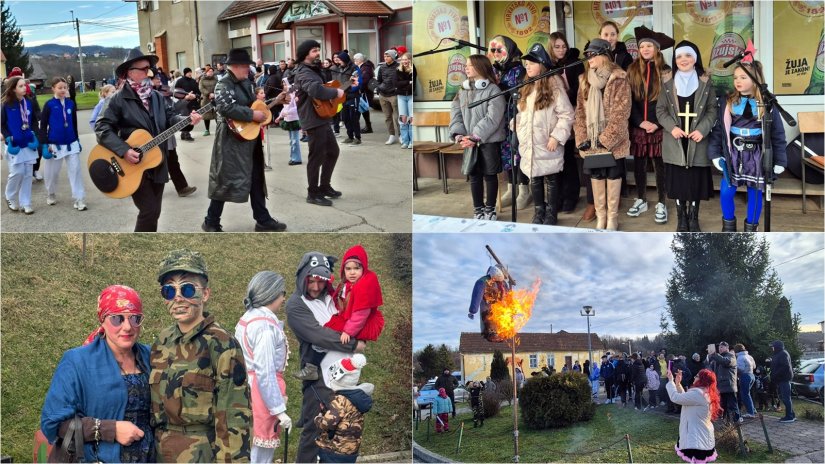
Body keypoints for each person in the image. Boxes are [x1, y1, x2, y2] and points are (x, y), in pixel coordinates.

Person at [151, 249, 251, 462]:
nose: (177, 298)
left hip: (202, 454)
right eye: (169, 291)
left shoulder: (222, 344)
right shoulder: (163, 340)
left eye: (187, 289)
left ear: (205, 294)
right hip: (161, 452)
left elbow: (233, 418)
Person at [41, 285, 153, 463]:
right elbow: (53, 422)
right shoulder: (77, 361)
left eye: (135, 318)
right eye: (117, 318)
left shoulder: (151, 357)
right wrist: (110, 429)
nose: (127, 327)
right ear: (102, 319)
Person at [94, 50, 203, 231]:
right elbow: (101, 128)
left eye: (150, 68)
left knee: (154, 213)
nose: (149, 72)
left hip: (157, 161)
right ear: (130, 72)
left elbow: (170, 119)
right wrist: (124, 150)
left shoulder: (157, 97)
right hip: (132, 164)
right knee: (149, 211)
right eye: (144, 69)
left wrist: (187, 120)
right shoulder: (117, 99)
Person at [286, 251, 366, 462]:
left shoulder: (332, 295)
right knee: (314, 429)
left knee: (344, 428)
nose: (315, 287)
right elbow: (318, 335)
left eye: (321, 282)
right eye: (311, 281)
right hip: (319, 378)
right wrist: (354, 345)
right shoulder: (295, 304)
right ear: (302, 277)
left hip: (345, 374)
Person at [201, 48, 287, 232]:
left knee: (256, 178)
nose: (249, 69)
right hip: (230, 140)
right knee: (225, 180)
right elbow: (225, 108)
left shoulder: (246, 82)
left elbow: (254, 105)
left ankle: (263, 219)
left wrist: (275, 102)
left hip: (249, 139)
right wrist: (251, 114)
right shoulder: (223, 84)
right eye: (246, 66)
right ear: (236, 66)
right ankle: (211, 221)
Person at [708, 58, 787, 232]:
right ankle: (728, 228)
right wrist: (714, 153)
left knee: (755, 194)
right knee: (726, 191)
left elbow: (777, 134)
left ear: (755, 78)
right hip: (734, 153)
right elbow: (719, 130)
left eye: (743, 77)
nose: (738, 81)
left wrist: (780, 160)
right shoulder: (727, 101)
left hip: (757, 154)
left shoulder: (767, 103)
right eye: (735, 77)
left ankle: (751, 229)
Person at [294, 244, 385, 381]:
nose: (352, 272)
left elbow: (360, 316)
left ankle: (315, 368)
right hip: (347, 318)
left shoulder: (364, 287)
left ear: (364, 268)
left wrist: (348, 331)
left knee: (323, 337)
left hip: (356, 324)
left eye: (357, 268)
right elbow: (341, 300)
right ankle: (317, 367)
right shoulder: (348, 284)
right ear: (344, 270)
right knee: (322, 337)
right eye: (348, 269)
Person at [656, 40, 718, 232]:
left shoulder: (705, 82)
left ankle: (694, 218)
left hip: (696, 139)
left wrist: (703, 129)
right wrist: (672, 128)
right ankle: (681, 218)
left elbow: (712, 110)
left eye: (688, 55)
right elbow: (660, 110)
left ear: (695, 58)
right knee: (678, 182)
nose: (684, 60)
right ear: (675, 60)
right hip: (675, 139)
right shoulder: (667, 81)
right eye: (679, 56)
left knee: (695, 181)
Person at [573, 38, 631, 230]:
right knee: (596, 176)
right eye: (587, 54)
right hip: (591, 140)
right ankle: (601, 216)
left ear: (604, 56)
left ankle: (612, 217)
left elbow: (621, 114)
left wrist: (604, 140)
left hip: (614, 141)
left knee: (613, 175)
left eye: (592, 54)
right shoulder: (584, 80)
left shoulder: (619, 78)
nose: (588, 58)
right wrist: (583, 139)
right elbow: (580, 113)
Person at [234, 271, 292, 463]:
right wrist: (278, 410)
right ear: (271, 294)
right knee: (259, 452)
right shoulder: (265, 327)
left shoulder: (249, 318)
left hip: (248, 388)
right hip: (260, 393)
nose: (284, 298)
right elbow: (265, 372)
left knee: (248, 447)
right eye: (282, 293)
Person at [515, 43, 574, 225]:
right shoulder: (527, 86)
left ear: (542, 64)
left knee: (551, 178)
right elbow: (522, 113)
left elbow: (567, 114)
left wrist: (556, 136)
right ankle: (539, 210)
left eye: (532, 63)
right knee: (535, 178)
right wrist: (516, 125)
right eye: (527, 63)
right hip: (530, 142)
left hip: (547, 142)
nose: (528, 66)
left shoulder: (554, 86)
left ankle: (551, 211)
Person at [626, 26, 674, 224]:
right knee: (639, 164)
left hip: (658, 126)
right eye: (642, 46)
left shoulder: (665, 71)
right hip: (639, 125)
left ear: (657, 49)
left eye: (649, 46)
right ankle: (641, 198)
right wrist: (639, 121)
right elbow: (630, 100)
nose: (645, 49)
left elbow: (669, 101)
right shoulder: (631, 70)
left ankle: (661, 201)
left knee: (659, 165)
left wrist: (656, 123)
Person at [449, 54, 506, 220]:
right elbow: (456, 113)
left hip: (488, 141)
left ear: (480, 67)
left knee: (489, 175)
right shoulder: (463, 90)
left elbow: (493, 118)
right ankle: (478, 209)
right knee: (474, 176)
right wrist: (460, 135)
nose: (466, 68)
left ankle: (490, 209)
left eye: (470, 65)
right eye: (466, 65)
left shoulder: (493, 90)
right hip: (469, 142)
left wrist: (476, 136)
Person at [293, 40, 346, 207]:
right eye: (314, 51)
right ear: (305, 54)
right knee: (317, 157)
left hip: (321, 116)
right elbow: (315, 90)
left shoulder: (313, 70)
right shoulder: (303, 72)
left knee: (332, 152)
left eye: (318, 50)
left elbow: (325, 87)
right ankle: (313, 193)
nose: (318, 53)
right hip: (312, 119)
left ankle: (324, 186)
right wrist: (335, 91)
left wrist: (344, 88)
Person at [489, 35, 530, 210]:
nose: (496, 53)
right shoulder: (494, 70)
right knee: (506, 155)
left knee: (518, 153)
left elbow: (521, 93)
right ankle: (511, 189)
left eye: (500, 49)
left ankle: (524, 191)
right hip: (499, 119)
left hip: (516, 118)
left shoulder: (519, 69)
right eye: (493, 50)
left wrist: (501, 88)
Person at [547, 31, 585, 215]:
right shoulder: (546, 66)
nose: (561, 50)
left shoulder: (575, 63)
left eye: (564, 46)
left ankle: (571, 196)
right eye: (557, 46)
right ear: (551, 48)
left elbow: (580, 89)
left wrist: (564, 96)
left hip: (570, 115)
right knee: (555, 160)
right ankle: (558, 197)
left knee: (568, 158)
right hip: (551, 119)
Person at [314, 354, 374, 463]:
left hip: (335, 451)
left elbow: (327, 424)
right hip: (351, 450)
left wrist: (319, 418)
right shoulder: (356, 398)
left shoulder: (340, 400)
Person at [40, 76, 87, 211]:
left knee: (75, 170)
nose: (63, 90)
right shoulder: (49, 105)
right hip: (55, 144)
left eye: (65, 87)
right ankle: (51, 193)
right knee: (52, 173)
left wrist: (77, 139)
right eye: (60, 88)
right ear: (53, 88)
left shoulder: (71, 103)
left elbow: (74, 123)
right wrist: (44, 144)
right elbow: (43, 126)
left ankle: (79, 198)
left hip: (71, 143)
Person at [3, 76, 41, 214]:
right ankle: (10, 196)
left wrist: (36, 137)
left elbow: (34, 122)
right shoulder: (6, 105)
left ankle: (26, 203)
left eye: (24, 85)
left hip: (28, 144)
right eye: (20, 86)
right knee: (17, 172)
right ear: (13, 89)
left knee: (27, 174)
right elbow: (1, 124)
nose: (24, 88)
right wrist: (8, 138)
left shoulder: (29, 103)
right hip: (14, 145)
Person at [666, 368, 721, 463]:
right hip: (700, 436)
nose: (694, 377)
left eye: (697, 376)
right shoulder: (704, 393)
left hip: (696, 439)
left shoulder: (698, 394)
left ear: (701, 380)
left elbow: (676, 398)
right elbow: (685, 399)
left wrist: (671, 381)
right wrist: (678, 384)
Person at [468, 264, 510, 342]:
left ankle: (501, 333)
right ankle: (491, 333)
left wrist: (510, 309)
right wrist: (473, 310)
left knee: (500, 321)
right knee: (488, 318)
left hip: (500, 310)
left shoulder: (503, 284)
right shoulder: (483, 281)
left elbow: (508, 296)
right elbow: (477, 295)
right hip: (487, 309)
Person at [706, 341, 740, 424]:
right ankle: (727, 423)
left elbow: (726, 362)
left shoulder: (731, 356)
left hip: (729, 386)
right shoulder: (717, 358)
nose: (720, 349)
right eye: (719, 347)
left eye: (722, 347)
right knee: (723, 406)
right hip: (720, 386)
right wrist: (709, 357)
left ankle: (736, 422)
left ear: (727, 348)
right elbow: (710, 368)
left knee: (732, 405)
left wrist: (715, 355)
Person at [274, 78, 303, 166]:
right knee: (292, 141)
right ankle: (293, 157)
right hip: (288, 120)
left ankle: (297, 159)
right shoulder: (286, 95)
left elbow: (296, 108)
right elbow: (285, 107)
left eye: (285, 84)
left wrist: (288, 112)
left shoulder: (294, 94)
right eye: (283, 84)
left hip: (294, 119)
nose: (284, 86)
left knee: (295, 141)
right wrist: (279, 117)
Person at [336, 51, 362, 145]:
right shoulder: (340, 69)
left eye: (340, 60)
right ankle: (350, 136)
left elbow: (357, 83)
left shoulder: (354, 68)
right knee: (345, 118)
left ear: (345, 59)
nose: (338, 62)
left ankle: (357, 138)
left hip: (352, 96)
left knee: (353, 118)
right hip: (343, 97)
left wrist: (347, 90)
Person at [376, 49, 400, 144]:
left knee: (397, 117)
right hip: (383, 95)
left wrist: (396, 89)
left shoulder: (398, 66)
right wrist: (379, 88)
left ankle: (401, 135)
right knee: (387, 117)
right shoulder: (382, 67)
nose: (386, 58)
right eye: (385, 56)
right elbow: (378, 80)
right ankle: (392, 135)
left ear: (393, 57)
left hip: (394, 95)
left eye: (388, 56)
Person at [769, 340, 795, 423]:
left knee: (786, 398)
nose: (772, 348)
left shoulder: (783, 354)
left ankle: (789, 416)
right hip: (782, 379)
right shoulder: (780, 353)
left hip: (784, 379)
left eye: (773, 346)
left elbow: (785, 366)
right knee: (786, 398)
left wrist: (775, 374)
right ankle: (792, 415)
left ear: (777, 347)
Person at [354, 53, 375, 133]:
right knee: (363, 109)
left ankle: (363, 127)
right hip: (363, 92)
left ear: (359, 60)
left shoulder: (365, 68)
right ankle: (368, 127)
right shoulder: (363, 67)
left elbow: (364, 80)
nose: (354, 61)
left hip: (364, 92)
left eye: (355, 59)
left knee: (361, 109)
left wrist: (358, 86)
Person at [734, 343, 757, 418]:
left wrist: (734, 369)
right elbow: (754, 366)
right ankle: (753, 410)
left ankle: (750, 413)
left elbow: (741, 369)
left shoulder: (740, 357)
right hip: (752, 375)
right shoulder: (749, 356)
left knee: (745, 395)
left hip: (745, 376)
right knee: (748, 394)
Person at [397, 52, 414, 149]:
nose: (404, 61)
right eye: (403, 59)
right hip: (401, 96)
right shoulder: (398, 70)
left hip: (411, 96)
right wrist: (408, 82)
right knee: (403, 119)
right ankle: (405, 141)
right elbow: (396, 83)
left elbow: (413, 85)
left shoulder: (413, 70)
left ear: (410, 60)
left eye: (406, 59)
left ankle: (412, 141)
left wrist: (402, 84)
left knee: (412, 119)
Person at [198, 65, 217, 136]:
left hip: (214, 98)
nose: (211, 72)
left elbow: (218, 86)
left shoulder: (216, 79)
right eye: (209, 71)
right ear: (206, 72)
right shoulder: (202, 79)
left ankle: (218, 129)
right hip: (205, 99)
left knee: (216, 114)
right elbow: (201, 88)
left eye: (212, 71)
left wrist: (214, 94)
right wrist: (208, 93)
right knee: (206, 115)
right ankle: (207, 130)